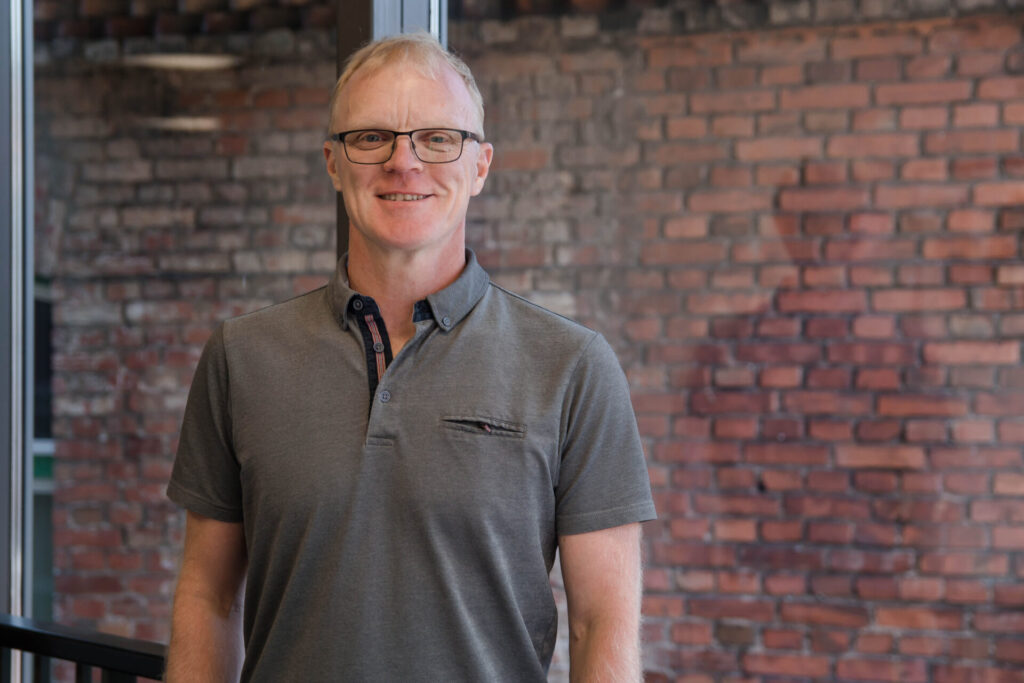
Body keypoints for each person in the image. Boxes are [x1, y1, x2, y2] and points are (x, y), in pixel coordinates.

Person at [164, 32, 656, 682]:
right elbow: (209, 597)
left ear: (480, 166)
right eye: (372, 137)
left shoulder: (573, 368)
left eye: (438, 138)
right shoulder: (240, 357)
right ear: (333, 163)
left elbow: (602, 623)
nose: (404, 162)